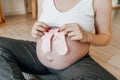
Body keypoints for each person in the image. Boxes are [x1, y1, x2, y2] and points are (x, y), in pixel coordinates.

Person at [0, 0, 117, 80]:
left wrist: (87, 36)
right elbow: (41, 25)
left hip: (75, 63)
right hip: (38, 57)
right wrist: (36, 29)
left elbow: (105, 36)